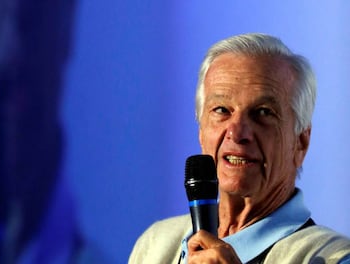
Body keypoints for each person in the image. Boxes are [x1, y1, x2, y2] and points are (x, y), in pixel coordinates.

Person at [128, 33, 350, 264]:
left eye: (263, 112)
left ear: (301, 142)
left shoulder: (334, 257)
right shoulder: (154, 246)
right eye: (222, 110)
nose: (237, 133)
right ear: (201, 131)